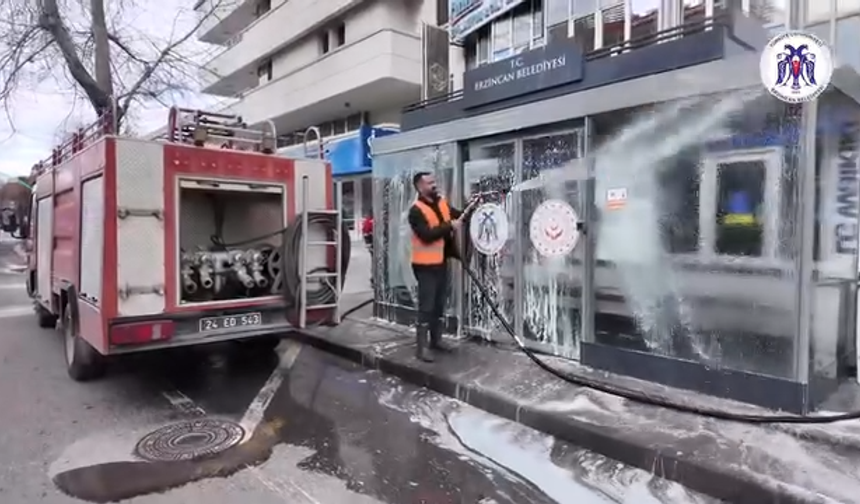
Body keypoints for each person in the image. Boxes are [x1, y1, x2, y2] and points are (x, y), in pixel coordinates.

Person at [407, 172, 479, 362]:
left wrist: (472, 207)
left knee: (439, 303)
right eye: (429, 182)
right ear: (419, 187)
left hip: (441, 261)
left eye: (434, 181)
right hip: (425, 265)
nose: (434, 185)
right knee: (427, 305)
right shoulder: (416, 211)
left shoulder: (441, 203)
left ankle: (436, 341)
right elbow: (426, 235)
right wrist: (449, 226)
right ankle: (421, 348)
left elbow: (458, 216)